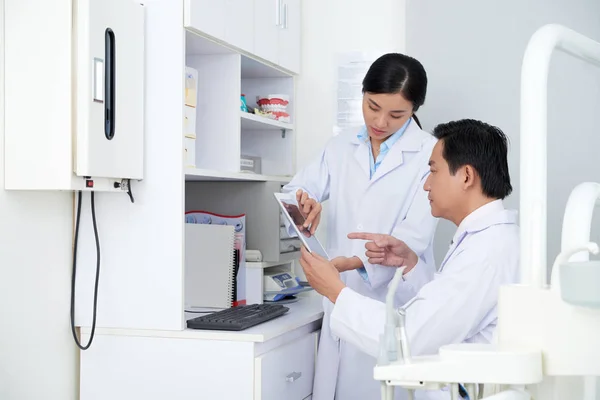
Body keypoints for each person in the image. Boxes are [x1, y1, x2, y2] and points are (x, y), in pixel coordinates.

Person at [299, 119, 519, 400]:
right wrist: (410, 266)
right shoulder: (485, 240)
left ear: (466, 176)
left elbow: (412, 337)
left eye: (433, 171)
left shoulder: (488, 251)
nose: (427, 185)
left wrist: (335, 291)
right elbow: (447, 309)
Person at [281, 53, 439, 399]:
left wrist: (353, 263)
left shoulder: (429, 156)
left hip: (394, 305)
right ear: (363, 94)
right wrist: (305, 205)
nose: (380, 121)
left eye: (396, 114)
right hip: (339, 301)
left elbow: (412, 240)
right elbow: (292, 193)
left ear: (414, 109)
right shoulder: (340, 146)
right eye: (372, 106)